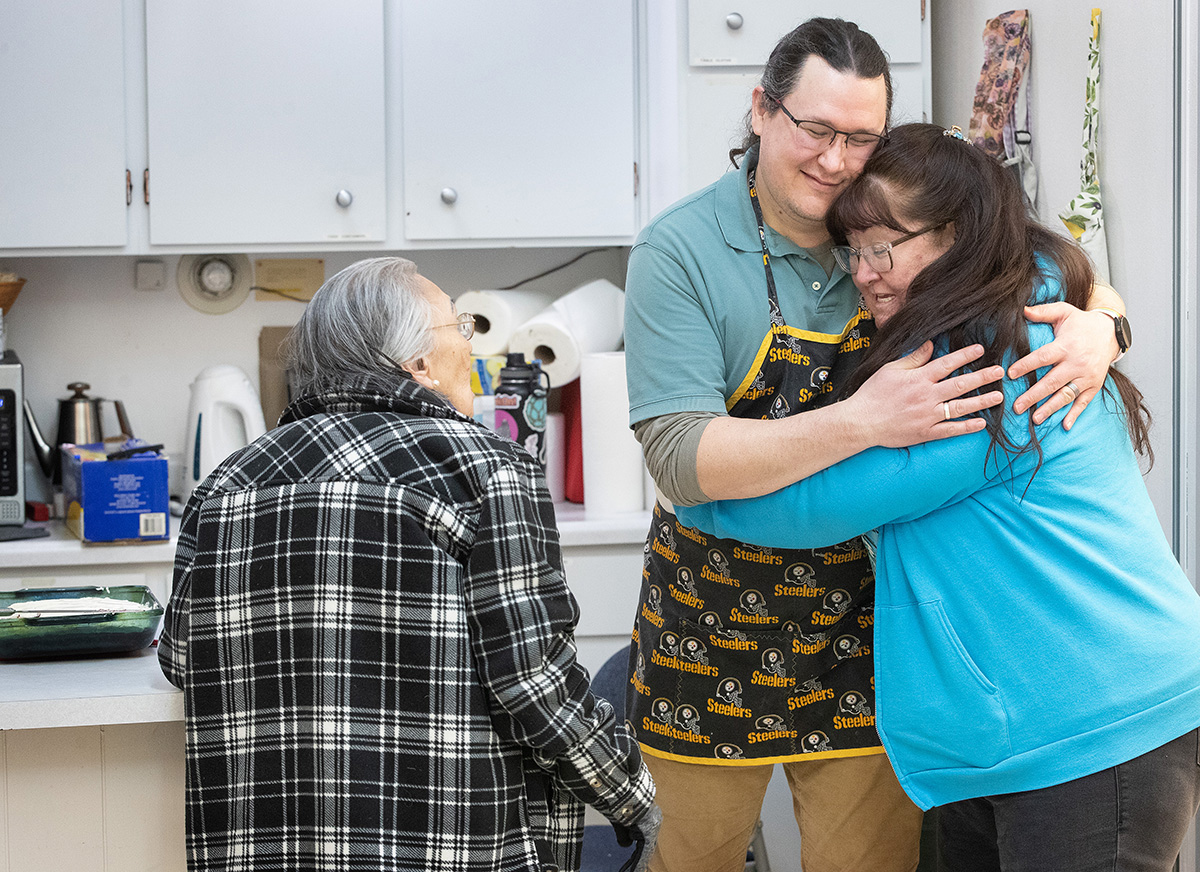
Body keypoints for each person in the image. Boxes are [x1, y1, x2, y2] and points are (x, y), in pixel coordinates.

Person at [623, 17, 1130, 872]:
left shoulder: (896, 228)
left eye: (860, 137)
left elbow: (1042, 263)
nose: (835, 161)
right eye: (814, 130)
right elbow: (679, 459)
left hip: (868, 636)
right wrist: (863, 421)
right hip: (705, 636)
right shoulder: (681, 252)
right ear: (760, 111)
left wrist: (1105, 327)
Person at [676, 122, 1200, 871]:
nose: (864, 272)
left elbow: (813, 508)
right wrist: (1110, 323)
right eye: (851, 250)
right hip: (1017, 735)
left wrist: (690, 487)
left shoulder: (995, 366)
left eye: (882, 248)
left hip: (1095, 724)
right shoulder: (996, 320)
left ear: (956, 238)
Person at [159, 256, 659, 872]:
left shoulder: (225, 486)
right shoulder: (486, 469)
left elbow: (181, 659)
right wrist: (631, 795)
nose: (472, 351)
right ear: (418, 364)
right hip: (445, 848)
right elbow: (532, 685)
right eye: (462, 331)